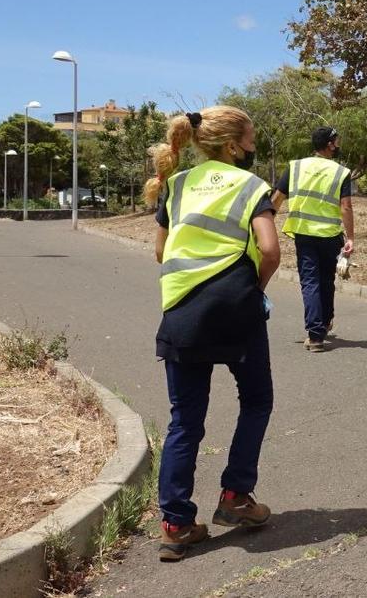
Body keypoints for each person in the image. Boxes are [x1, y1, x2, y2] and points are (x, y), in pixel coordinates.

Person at [145, 106, 281, 562]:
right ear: (232, 146)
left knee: (185, 421)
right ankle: (236, 497)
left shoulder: (177, 185)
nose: (254, 146)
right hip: (235, 310)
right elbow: (269, 249)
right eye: (251, 139)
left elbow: (161, 249)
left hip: (182, 312)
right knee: (257, 399)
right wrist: (254, 291)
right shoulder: (250, 185)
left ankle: (176, 525)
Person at [271, 127, 354, 353]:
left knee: (310, 281)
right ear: (329, 144)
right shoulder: (341, 172)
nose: (338, 146)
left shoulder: (295, 167)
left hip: (304, 234)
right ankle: (324, 323)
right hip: (329, 235)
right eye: (336, 142)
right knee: (326, 281)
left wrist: (266, 223)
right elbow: (345, 207)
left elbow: (277, 198)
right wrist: (351, 237)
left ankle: (316, 334)